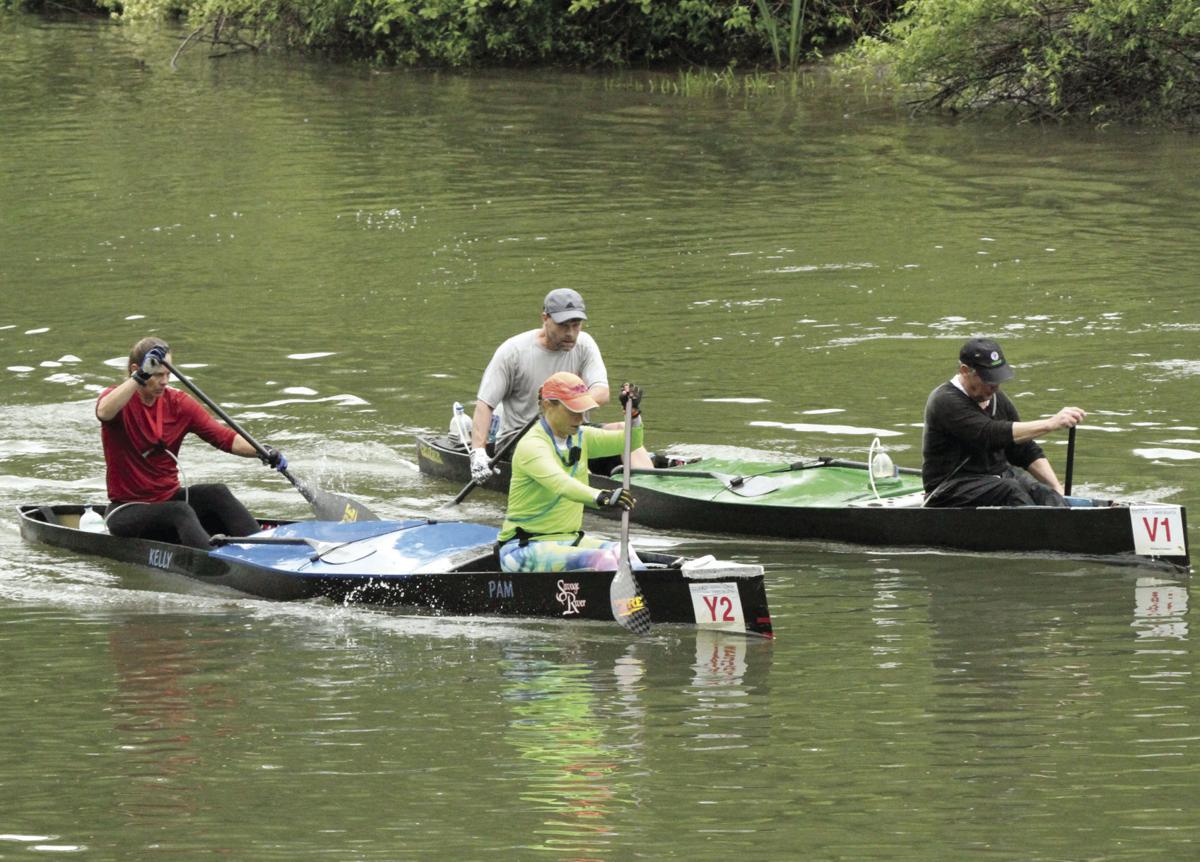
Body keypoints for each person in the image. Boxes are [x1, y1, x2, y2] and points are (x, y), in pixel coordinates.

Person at [96, 337, 288, 549]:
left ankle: (265, 551)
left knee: (216, 492)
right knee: (180, 512)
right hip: (125, 510)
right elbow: (104, 412)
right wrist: (140, 376)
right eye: (158, 374)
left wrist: (263, 451)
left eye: (168, 374)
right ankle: (218, 565)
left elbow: (224, 437)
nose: (165, 381)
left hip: (169, 501)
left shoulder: (179, 404)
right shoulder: (116, 400)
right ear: (137, 369)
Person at [469, 288, 652, 483]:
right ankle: (590, 487)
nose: (571, 334)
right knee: (565, 448)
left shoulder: (585, 345)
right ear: (545, 318)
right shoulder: (512, 352)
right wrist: (478, 452)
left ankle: (651, 485)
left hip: (574, 428)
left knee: (623, 430)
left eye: (576, 325)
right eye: (563, 326)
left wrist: (566, 407)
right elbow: (485, 404)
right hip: (522, 437)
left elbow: (601, 393)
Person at [497, 372, 643, 573]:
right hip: (525, 548)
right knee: (603, 561)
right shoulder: (532, 446)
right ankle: (624, 603)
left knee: (624, 552)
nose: (581, 418)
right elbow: (561, 484)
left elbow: (631, 442)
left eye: (583, 411)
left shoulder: (581, 437)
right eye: (573, 411)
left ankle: (651, 601)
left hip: (569, 540)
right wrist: (602, 496)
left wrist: (633, 414)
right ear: (548, 406)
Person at [922, 337, 1085, 507]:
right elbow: (989, 433)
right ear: (965, 371)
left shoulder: (996, 398)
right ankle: (1042, 531)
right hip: (950, 488)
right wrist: (1050, 424)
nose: (995, 386)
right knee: (1011, 491)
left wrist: (1057, 489)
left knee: (1042, 492)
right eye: (988, 379)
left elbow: (1023, 449)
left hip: (996, 480)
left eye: (997, 379)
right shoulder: (945, 400)